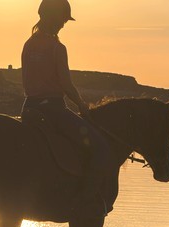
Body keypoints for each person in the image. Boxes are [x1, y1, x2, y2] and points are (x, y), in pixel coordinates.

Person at [21, 0, 110, 215]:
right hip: (53, 111)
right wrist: (81, 104)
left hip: (29, 109)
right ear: (53, 18)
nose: (63, 25)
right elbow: (66, 84)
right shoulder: (57, 48)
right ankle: (86, 202)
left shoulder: (29, 45)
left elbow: (25, 81)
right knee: (98, 145)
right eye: (62, 20)